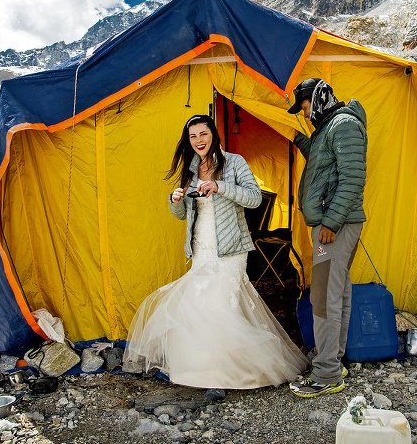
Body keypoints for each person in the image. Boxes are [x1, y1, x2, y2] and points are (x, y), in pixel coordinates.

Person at [123, 114, 308, 388]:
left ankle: (226, 377)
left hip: (231, 248)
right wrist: (175, 200)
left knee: (220, 306)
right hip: (201, 248)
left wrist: (219, 186)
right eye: (193, 136)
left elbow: (255, 198)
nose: (199, 140)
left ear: (214, 135)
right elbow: (184, 214)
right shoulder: (192, 168)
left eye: (203, 134)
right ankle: (203, 373)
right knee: (201, 306)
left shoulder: (234, 162)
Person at [286, 78, 367, 398]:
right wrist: (296, 138)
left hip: (336, 226)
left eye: (304, 106)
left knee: (323, 300)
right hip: (334, 224)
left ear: (317, 99)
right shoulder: (330, 128)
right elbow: (324, 161)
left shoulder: (344, 124)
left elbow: (352, 178)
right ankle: (334, 359)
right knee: (338, 291)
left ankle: (327, 374)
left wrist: (331, 222)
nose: (304, 114)